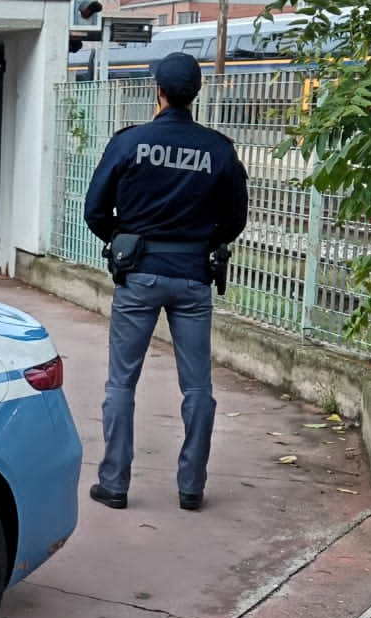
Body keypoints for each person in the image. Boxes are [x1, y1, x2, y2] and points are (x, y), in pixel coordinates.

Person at [82, 51, 249, 512]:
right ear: (196, 93)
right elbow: (235, 218)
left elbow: (95, 209)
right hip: (193, 278)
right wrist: (201, 241)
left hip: (138, 277)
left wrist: (122, 238)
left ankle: (114, 484)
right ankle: (191, 487)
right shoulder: (219, 149)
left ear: (158, 90)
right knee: (197, 387)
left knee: (121, 383)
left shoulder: (129, 142)